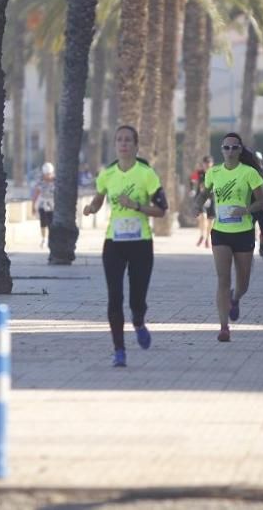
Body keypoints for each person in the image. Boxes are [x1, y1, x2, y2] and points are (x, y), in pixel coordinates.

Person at [83, 125, 168, 367]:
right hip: (114, 243)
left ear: (136, 145)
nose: (123, 144)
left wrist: (137, 206)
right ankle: (119, 349)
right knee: (114, 297)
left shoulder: (146, 174)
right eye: (119, 139)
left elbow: (162, 209)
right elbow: (99, 199)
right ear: (115, 145)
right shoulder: (107, 174)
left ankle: (139, 322)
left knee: (136, 300)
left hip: (141, 243)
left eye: (128, 140)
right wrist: (91, 208)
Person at [195, 132, 263, 342]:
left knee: (242, 283)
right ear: (222, 150)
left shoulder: (250, 173)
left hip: (243, 232)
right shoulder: (213, 172)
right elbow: (205, 193)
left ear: (241, 150)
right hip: (220, 232)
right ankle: (224, 327)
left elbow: (262, 202)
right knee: (223, 278)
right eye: (226, 147)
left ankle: (235, 298)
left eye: (235, 147)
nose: (230, 151)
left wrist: (245, 210)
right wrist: (197, 204)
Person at [189, 156, 215, 248]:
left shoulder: (215, 173)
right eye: (205, 164)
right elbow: (192, 179)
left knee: (210, 220)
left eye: (209, 163)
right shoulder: (199, 173)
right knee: (203, 217)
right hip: (201, 198)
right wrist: (192, 189)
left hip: (212, 198)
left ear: (212, 164)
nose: (207, 165)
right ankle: (202, 235)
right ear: (203, 164)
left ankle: (208, 238)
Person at [32, 162, 56, 248]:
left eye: (49, 174)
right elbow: (36, 193)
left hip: (53, 203)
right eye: (46, 174)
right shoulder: (40, 181)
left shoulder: (56, 181)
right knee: (43, 222)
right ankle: (44, 239)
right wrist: (33, 206)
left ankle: (51, 239)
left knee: (51, 223)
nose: (48, 176)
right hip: (42, 202)